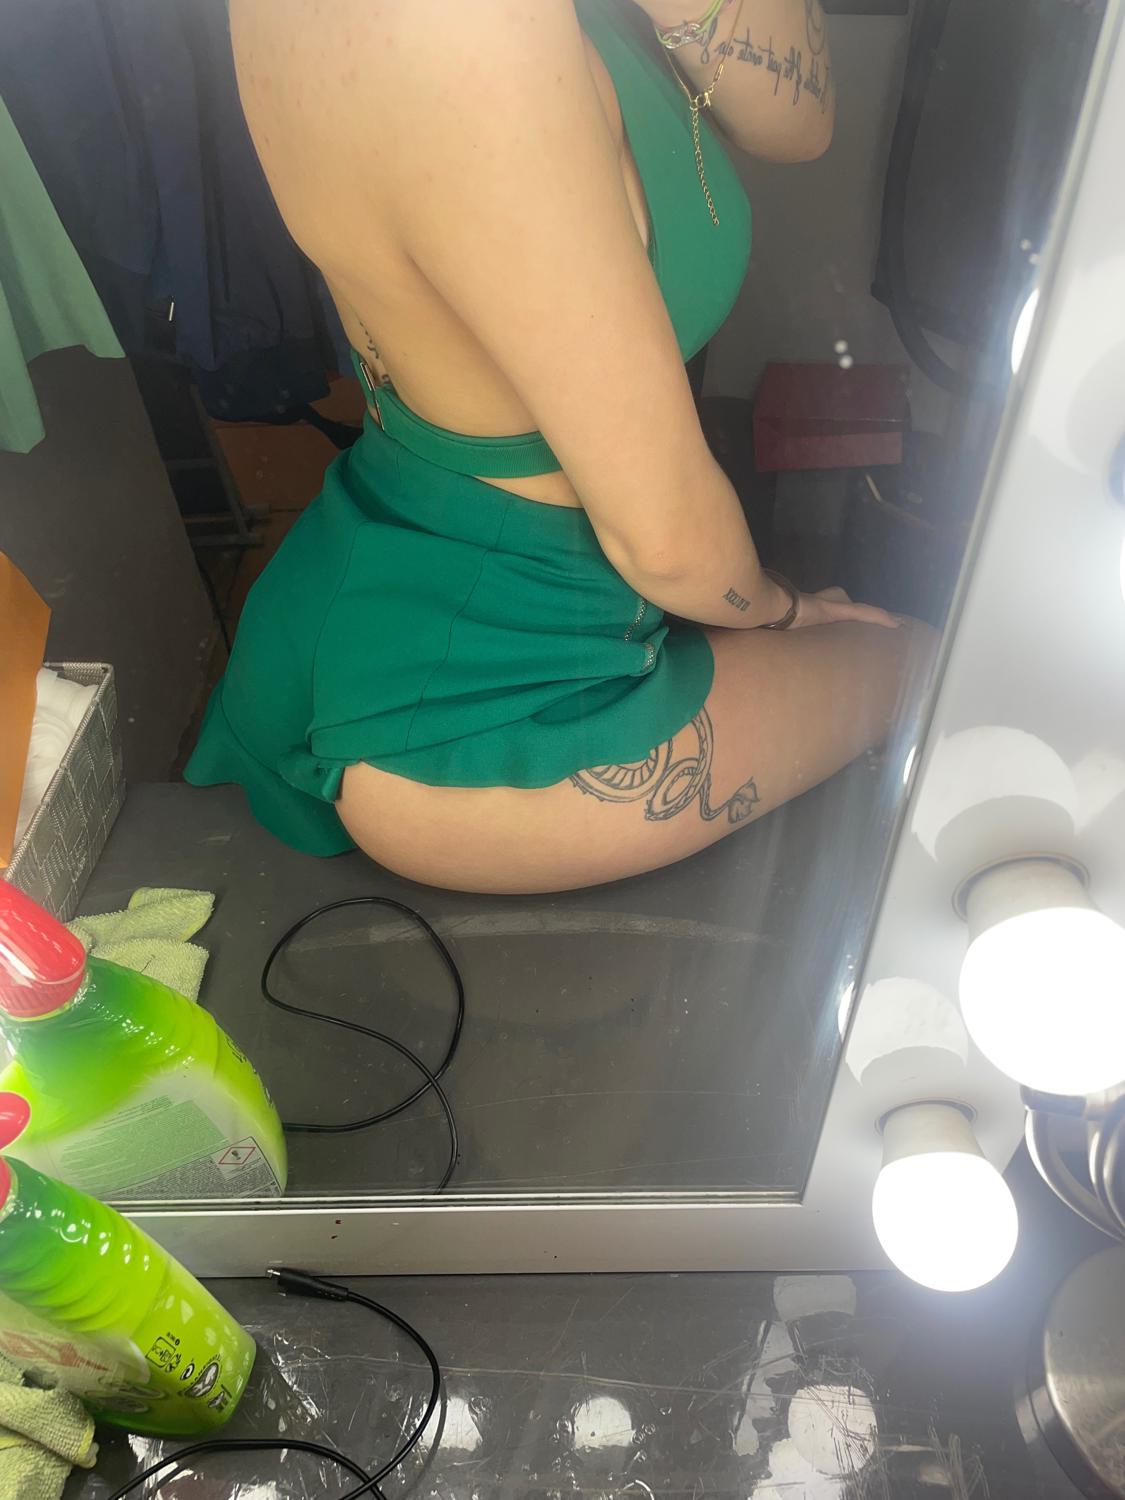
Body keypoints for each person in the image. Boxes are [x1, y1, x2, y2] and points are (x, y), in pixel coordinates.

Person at [187, 0, 935, 894]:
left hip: (377, 546)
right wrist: (782, 610)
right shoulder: (465, 36)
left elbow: (794, 119)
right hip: (489, 709)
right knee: (927, 662)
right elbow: (670, 546)